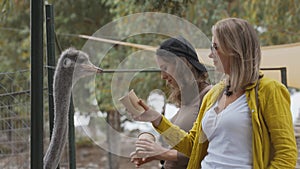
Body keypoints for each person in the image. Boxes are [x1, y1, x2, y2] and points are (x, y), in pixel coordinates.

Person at [128, 18, 297, 169]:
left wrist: (160, 152)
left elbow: (286, 155)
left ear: (234, 49)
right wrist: (157, 119)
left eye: (215, 47)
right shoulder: (214, 94)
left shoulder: (269, 90)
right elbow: (193, 145)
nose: (210, 54)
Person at [130, 36, 212, 169]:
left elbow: (202, 150)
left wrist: (162, 153)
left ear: (182, 65)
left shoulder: (209, 96)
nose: (162, 76)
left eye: (165, 68)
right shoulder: (187, 102)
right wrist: (153, 153)